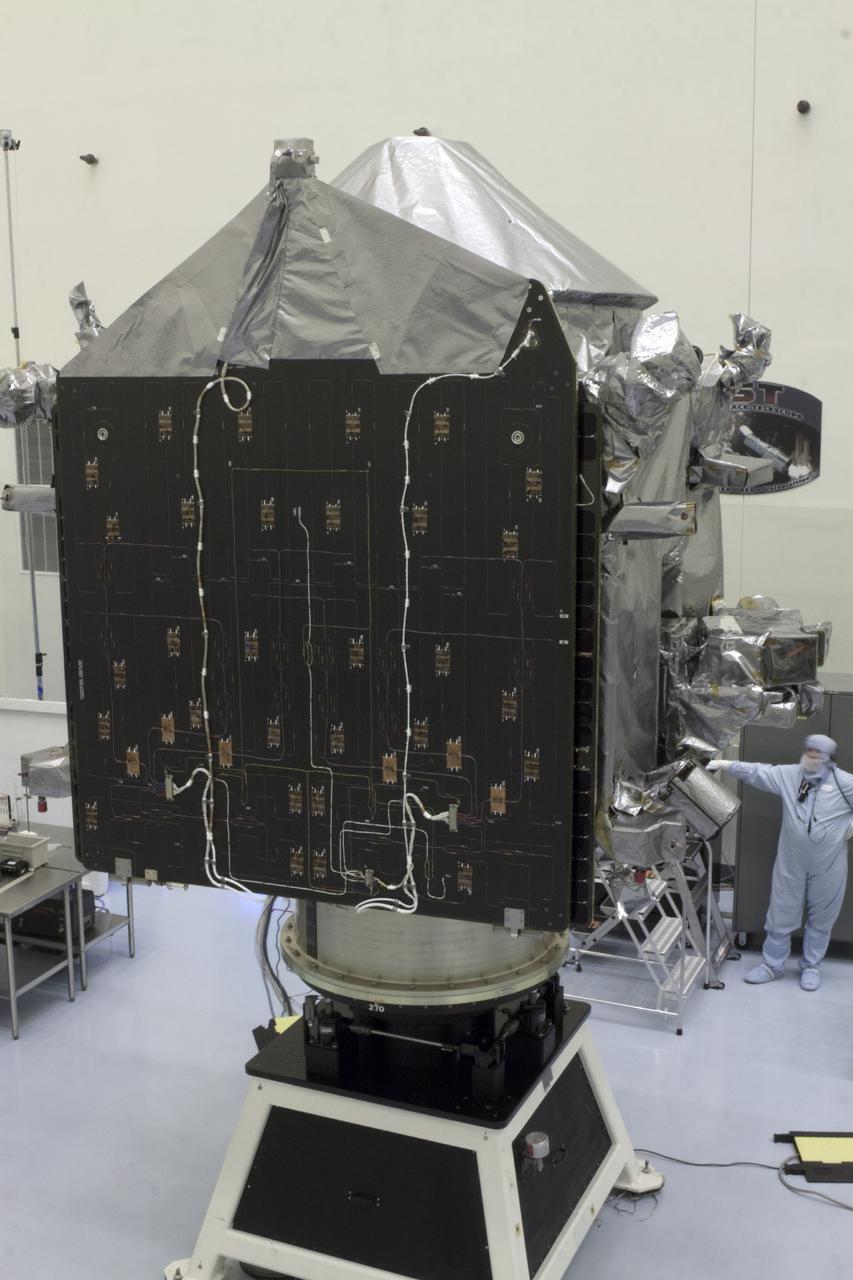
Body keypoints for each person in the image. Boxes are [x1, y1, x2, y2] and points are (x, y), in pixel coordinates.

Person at [708, 734, 853, 990]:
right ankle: (772, 965)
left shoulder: (846, 783)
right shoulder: (791, 776)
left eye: (817, 752)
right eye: (808, 750)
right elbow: (758, 772)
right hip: (791, 860)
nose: (811, 756)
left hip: (829, 864)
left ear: (829, 757)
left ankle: (811, 966)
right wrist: (725, 765)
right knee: (781, 911)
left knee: (822, 916)